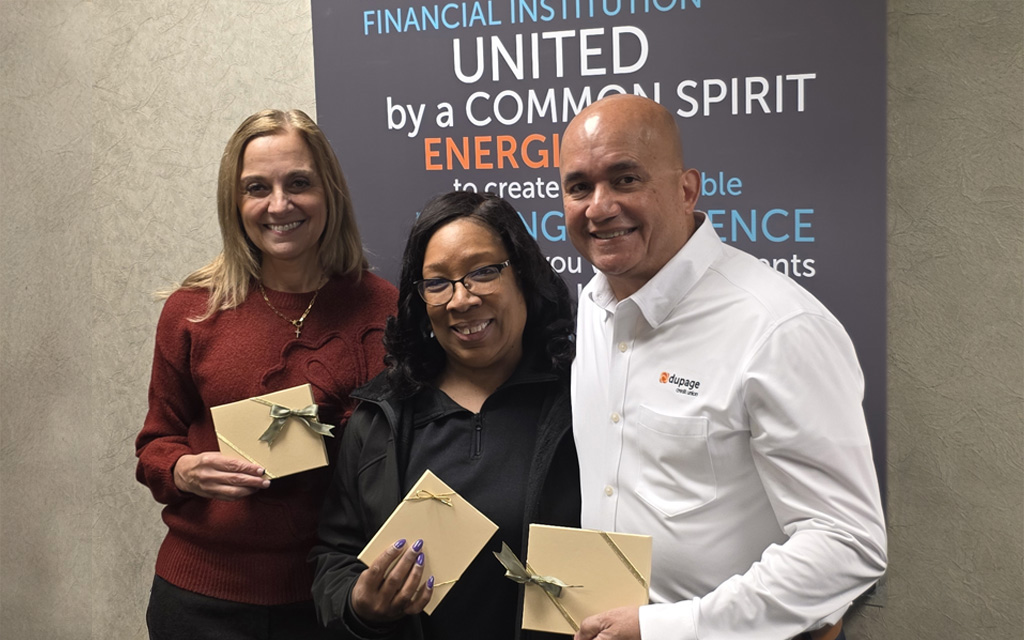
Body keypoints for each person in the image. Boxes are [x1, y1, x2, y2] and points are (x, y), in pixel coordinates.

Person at [558, 94, 887, 640]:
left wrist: (668, 627)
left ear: (686, 190)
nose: (599, 206)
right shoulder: (595, 307)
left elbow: (847, 543)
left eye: (625, 179)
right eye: (578, 186)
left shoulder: (778, 327)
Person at [135, 109, 397, 639]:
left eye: (298, 183)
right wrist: (183, 471)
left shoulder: (384, 310)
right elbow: (155, 444)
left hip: (329, 599)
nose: (279, 205)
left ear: (330, 193)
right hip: (201, 600)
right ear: (235, 204)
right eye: (257, 187)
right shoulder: (193, 310)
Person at [310, 190, 580, 640]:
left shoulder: (581, 402)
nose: (461, 299)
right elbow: (333, 557)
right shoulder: (380, 418)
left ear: (524, 276)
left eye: (483, 272)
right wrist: (360, 604)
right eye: (438, 282)